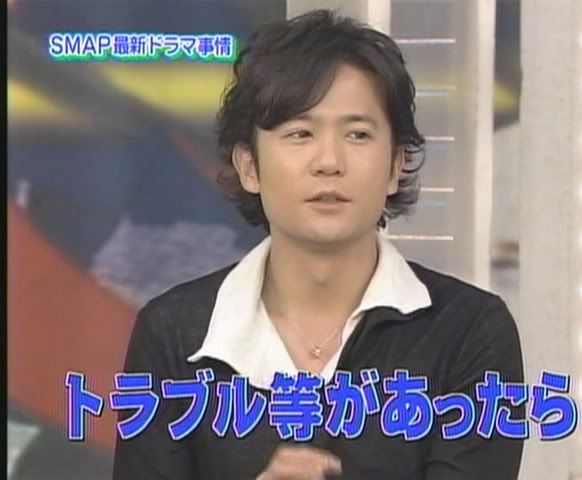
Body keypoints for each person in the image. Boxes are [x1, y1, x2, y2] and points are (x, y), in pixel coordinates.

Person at [113, 9, 524, 480]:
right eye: (300, 134)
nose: (329, 161)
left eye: (358, 134)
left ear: (395, 166)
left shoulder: (469, 331)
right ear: (249, 167)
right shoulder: (174, 334)